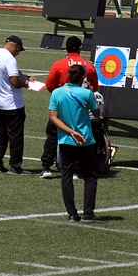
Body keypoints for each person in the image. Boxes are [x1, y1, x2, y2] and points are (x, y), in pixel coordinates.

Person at [49, 64, 107, 222]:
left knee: (66, 176)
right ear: (82, 78)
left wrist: (70, 132)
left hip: (65, 140)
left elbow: (53, 117)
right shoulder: (86, 93)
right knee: (90, 176)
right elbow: (96, 112)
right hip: (85, 140)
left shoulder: (57, 93)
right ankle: (88, 212)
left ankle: (72, 213)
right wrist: (92, 93)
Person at [40, 36, 99, 179]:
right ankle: (76, 170)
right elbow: (94, 88)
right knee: (78, 137)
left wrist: (59, 95)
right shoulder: (89, 65)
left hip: (61, 106)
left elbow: (50, 86)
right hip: (79, 109)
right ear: (80, 48)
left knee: (53, 136)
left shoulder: (58, 64)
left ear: (66, 48)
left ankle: (47, 167)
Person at [0, 35, 36, 175]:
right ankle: (15, 166)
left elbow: (9, 74)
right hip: (12, 104)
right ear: (15, 45)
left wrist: (26, 77)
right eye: (19, 49)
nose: (18, 53)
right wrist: (25, 83)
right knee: (15, 136)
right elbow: (14, 81)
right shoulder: (9, 58)